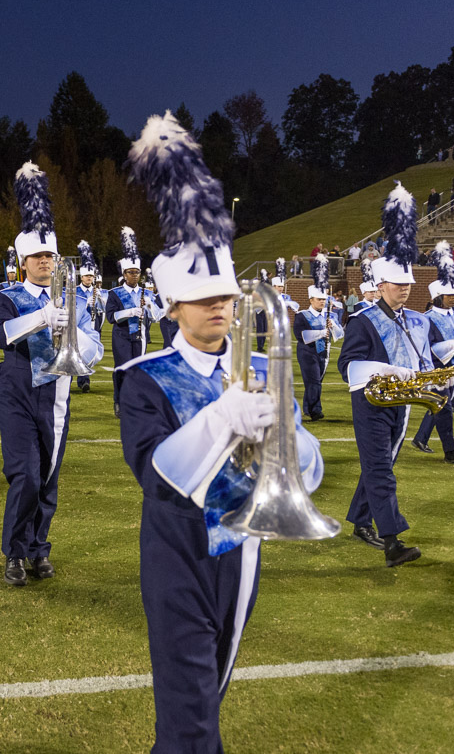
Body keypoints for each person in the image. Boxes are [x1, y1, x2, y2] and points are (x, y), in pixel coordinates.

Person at [120, 111, 325, 752]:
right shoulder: (144, 378)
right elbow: (157, 475)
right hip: (178, 556)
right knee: (193, 724)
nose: (221, 307)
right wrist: (221, 417)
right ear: (173, 305)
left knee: (204, 702)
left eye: (227, 296)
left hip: (243, 554)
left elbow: (308, 470)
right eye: (205, 298)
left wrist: (289, 437)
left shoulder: (265, 367)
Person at [0, 162, 103, 587]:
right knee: (26, 475)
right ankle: (15, 553)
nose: (44, 262)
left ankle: (39, 548)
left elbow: (96, 346)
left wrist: (71, 330)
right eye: (37, 256)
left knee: (49, 477)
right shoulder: (8, 296)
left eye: (50, 255)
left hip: (57, 391)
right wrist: (41, 318)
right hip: (18, 390)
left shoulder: (75, 296)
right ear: (23, 261)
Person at [338, 182, 429, 567]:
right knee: (380, 468)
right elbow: (348, 368)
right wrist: (390, 370)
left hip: (403, 404)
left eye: (409, 283)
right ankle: (393, 541)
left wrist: (435, 375)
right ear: (381, 284)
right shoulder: (363, 320)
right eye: (397, 284)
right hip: (371, 402)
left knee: (383, 465)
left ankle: (360, 520)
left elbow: (420, 360)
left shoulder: (417, 320)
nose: (405, 290)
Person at [411, 244, 454, 463]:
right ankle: (450, 452)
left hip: (453, 368)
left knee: (442, 407)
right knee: (443, 409)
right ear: (437, 296)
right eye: (449, 296)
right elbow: (429, 348)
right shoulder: (426, 318)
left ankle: (421, 438)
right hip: (435, 369)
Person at [106, 226, 164, 418]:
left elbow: (156, 317)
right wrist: (130, 312)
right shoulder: (114, 293)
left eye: (137, 272)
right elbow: (111, 317)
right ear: (124, 274)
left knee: (138, 370)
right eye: (130, 272)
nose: (134, 276)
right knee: (122, 369)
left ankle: (136, 402)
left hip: (141, 337)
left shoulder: (146, 293)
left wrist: (150, 306)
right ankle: (119, 402)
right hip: (122, 336)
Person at [293, 254, 343, 422]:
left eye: (324, 299)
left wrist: (333, 326)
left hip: (324, 352)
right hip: (307, 352)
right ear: (310, 299)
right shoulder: (302, 316)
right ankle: (316, 410)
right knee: (314, 381)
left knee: (314, 382)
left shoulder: (330, 315)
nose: (322, 302)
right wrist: (322, 332)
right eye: (319, 299)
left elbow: (340, 334)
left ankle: (308, 408)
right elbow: (301, 336)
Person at [76, 241, 104, 392]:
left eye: (91, 276)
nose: (89, 279)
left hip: (94, 327)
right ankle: (81, 379)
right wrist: (85, 303)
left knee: (87, 355)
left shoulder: (98, 291)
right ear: (81, 277)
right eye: (86, 276)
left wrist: (99, 300)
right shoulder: (74, 291)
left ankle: (84, 380)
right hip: (79, 328)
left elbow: (105, 311)